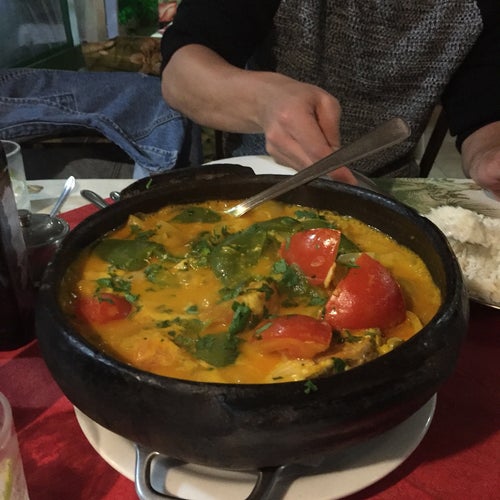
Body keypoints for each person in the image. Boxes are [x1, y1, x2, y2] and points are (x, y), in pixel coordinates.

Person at [160, 0, 500, 199]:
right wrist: (265, 101)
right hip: (263, 177)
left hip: (387, 187)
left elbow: (483, 114)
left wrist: (489, 156)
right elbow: (179, 76)